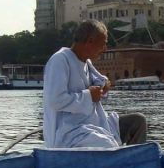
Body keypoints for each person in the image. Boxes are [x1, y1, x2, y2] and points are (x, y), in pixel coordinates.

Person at [43, 19, 147, 148]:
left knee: (138, 121)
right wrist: (89, 96)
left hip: (92, 124)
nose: (105, 49)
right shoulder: (59, 60)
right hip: (69, 133)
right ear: (90, 41)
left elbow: (98, 84)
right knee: (107, 144)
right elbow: (55, 100)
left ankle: (136, 159)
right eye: (103, 44)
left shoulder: (87, 62)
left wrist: (103, 87)